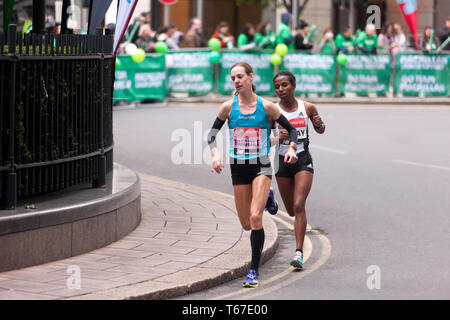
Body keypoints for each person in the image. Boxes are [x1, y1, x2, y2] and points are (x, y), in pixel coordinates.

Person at [208, 62, 299, 287]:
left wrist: (291, 148)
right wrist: (215, 154)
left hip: (261, 165)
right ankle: (268, 196)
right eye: (233, 78)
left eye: (240, 76)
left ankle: (253, 270)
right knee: (246, 224)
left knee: (256, 218)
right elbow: (211, 135)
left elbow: (293, 130)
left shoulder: (267, 107)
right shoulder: (227, 108)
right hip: (238, 167)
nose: (236, 81)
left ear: (251, 77)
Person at [271, 71, 325, 270]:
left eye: (284, 85)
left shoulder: (307, 107)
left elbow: (320, 129)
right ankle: (270, 199)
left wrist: (320, 125)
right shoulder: (273, 111)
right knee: (291, 211)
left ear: (293, 85)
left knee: (299, 205)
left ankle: (298, 252)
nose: (281, 90)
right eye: (277, 87)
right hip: (282, 163)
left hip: (303, 160)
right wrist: (279, 138)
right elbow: (265, 140)